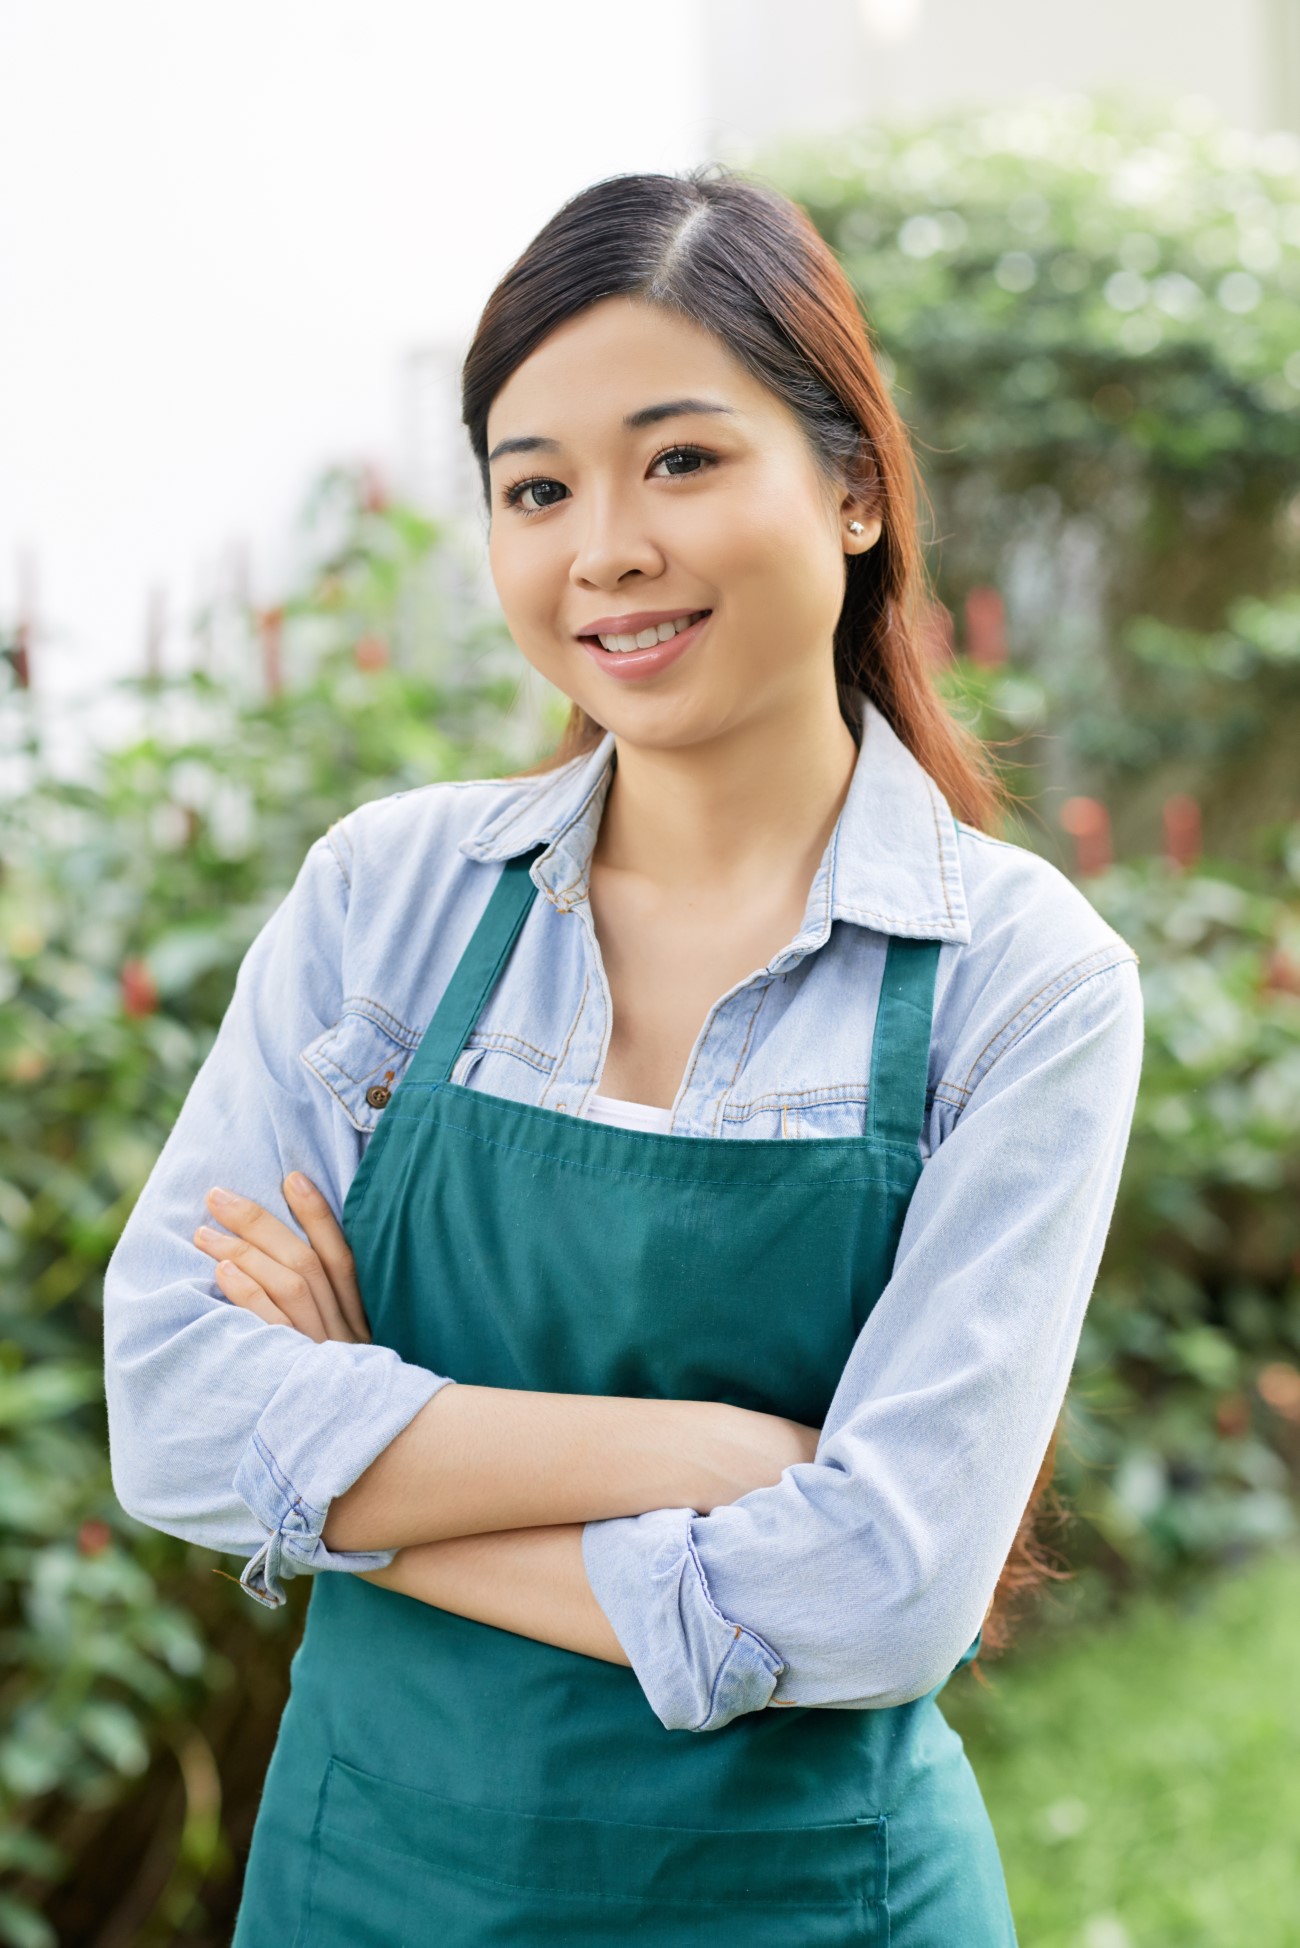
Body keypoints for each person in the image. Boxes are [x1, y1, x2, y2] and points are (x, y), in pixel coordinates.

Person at [103, 166, 1144, 1945]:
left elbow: (887, 1593)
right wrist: (715, 1453)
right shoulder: (391, 904)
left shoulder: (1020, 982)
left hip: (810, 1907)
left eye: (681, 460)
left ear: (858, 486)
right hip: (367, 1893)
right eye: (536, 488)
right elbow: (177, 1415)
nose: (605, 549)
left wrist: (367, 1496)